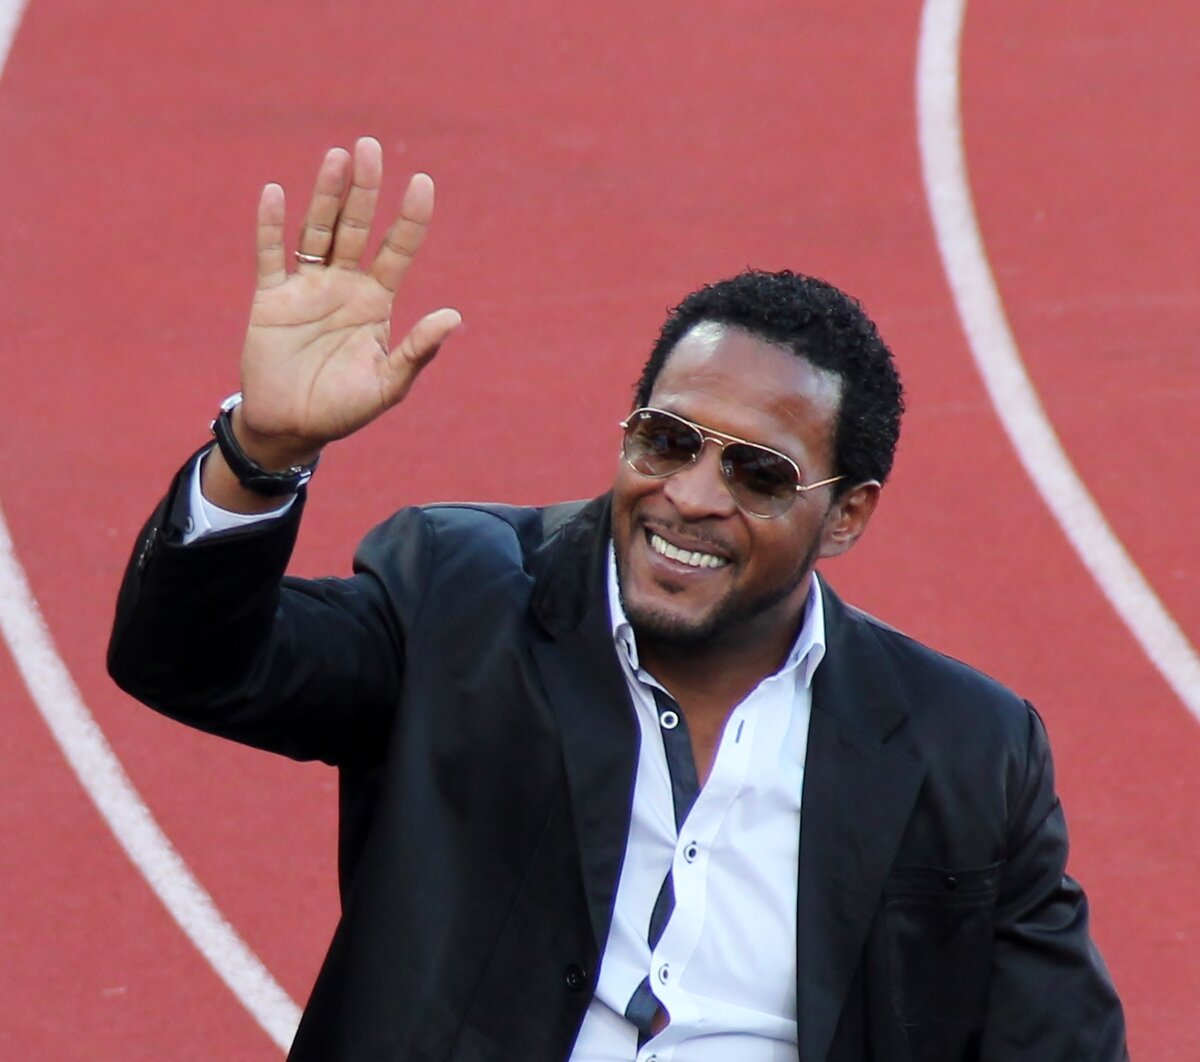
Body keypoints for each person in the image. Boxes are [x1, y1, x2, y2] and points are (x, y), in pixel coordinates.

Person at [108, 137, 1127, 1061]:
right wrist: (262, 454)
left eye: (759, 474)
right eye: (668, 442)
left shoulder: (969, 750)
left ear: (847, 515)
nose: (690, 496)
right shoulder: (459, 597)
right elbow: (191, 663)